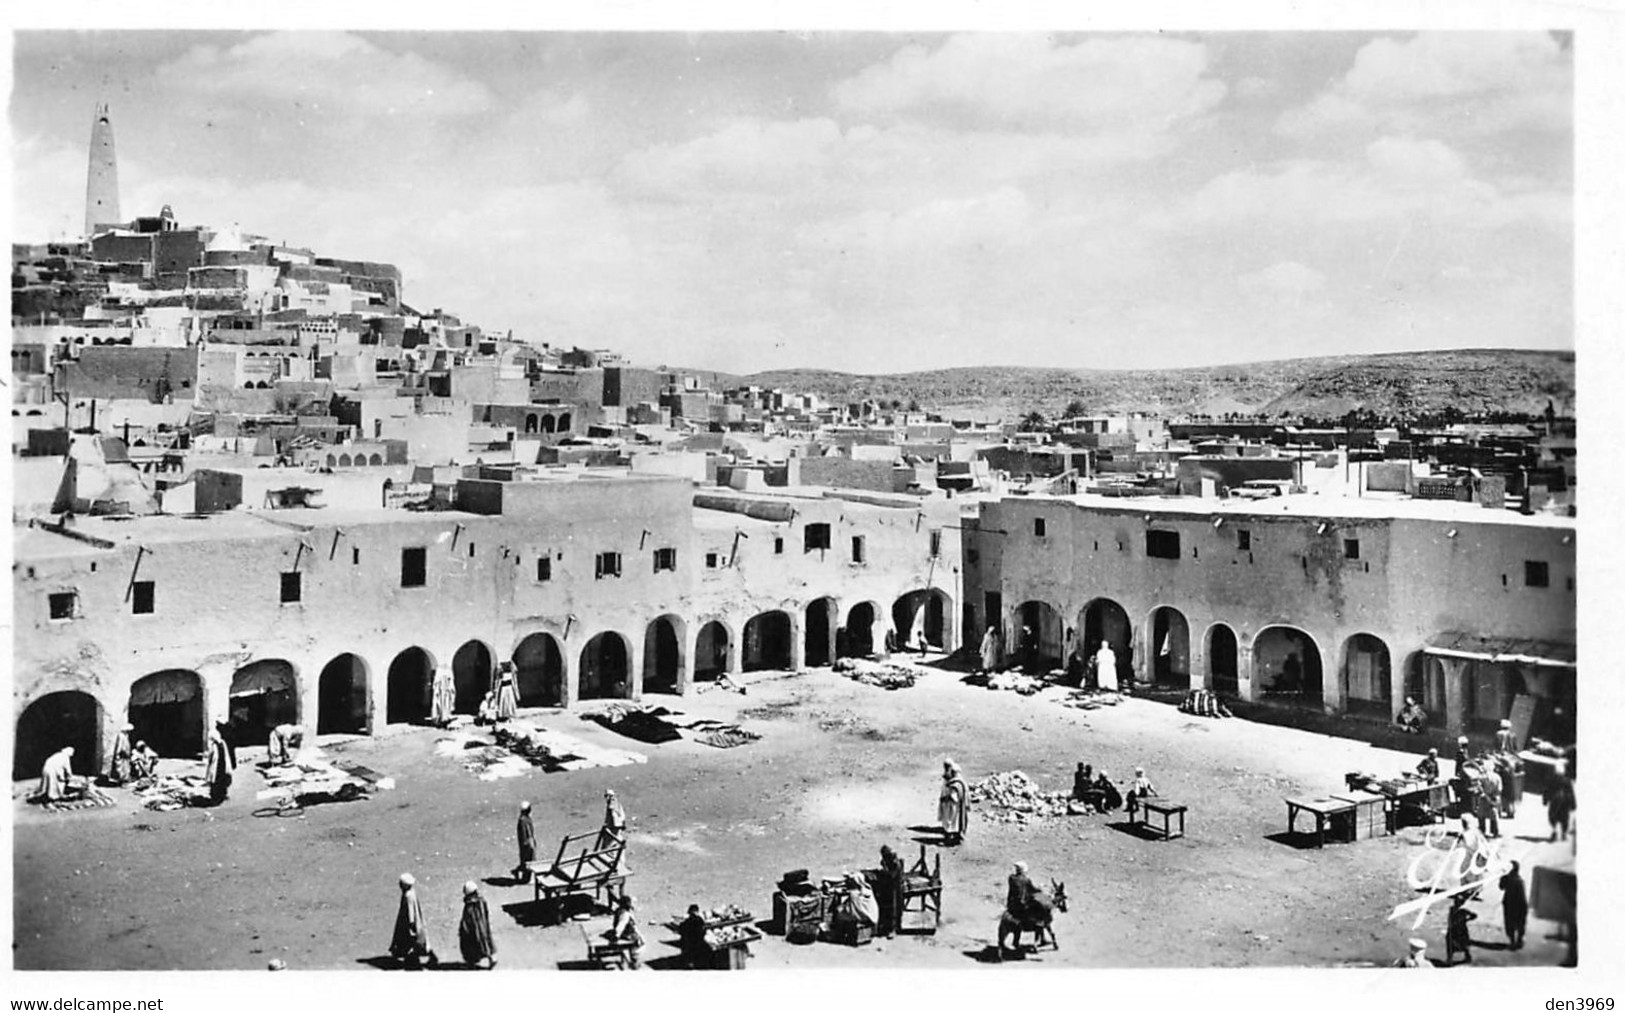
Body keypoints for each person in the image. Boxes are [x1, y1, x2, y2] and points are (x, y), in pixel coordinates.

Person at [389, 873, 436, 968]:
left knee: (410, 942)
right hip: (417, 922)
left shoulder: (408, 896)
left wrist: (410, 925)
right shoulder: (412, 893)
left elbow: (410, 913)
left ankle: (413, 961)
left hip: (409, 924)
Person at [458, 881, 496, 969]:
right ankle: (492, 958)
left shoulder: (469, 905)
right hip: (483, 927)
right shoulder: (482, 901)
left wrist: (463, 929)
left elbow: (467, 919)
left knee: (470, 946)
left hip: (472, 930)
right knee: (486, 943)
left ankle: (471, 964)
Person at [874, 845, 905, 938]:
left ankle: (893, 929)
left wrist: (883, 872)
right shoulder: (887, 860)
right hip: (888, 888)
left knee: (894, 909)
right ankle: (885, 927)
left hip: (895, 889)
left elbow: (891, 875)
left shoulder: (895, 863)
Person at [607, 895, 644, 969]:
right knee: (638, 943)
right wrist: (616, 936)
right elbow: (621, 925)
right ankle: (634, 961)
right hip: (626, 933)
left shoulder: (619, 910)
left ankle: (633, 959)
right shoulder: (625, 914)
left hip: (624, 931)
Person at [1499, 860, 1528, 951]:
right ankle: (1519, 941)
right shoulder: (1520, 880)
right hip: (1521, 904)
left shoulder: (1506, 878)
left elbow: (1501, 887)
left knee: (1510, 923)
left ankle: (1512, 942)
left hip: (1510, 904)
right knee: (1520, 923)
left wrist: (1502, 877)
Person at [938, 760, 968, 845]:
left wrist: (944, 798)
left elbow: (953, 797)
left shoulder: (956, 784)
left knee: (950, 821)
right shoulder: (959, 782)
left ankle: (951, 838)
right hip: (958, 805)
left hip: (953, 805)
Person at [1543, 762, 1575, 842]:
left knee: (1553, 817)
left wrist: (1545, 800)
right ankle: (1563, 833)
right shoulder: (1567, 781)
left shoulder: (1551, 780)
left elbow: (1546, 791)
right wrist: (1573, 804)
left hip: (1554, 802)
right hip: (1565, 803)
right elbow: (1571, 793)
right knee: (1564, 818)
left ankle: (1555, 831)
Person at [204, 722, 235, 806]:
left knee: (216, 784)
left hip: (217, 768)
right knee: (221, 782)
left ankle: (216, 799)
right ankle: (220, 797)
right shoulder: (222, 743)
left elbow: (212, 759)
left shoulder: (215, 746)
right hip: (222, 766)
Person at [1444, 894, 1476, 965]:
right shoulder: (1452, 909)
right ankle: (1449, 959)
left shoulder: (1463, 910)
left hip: (1461, 930)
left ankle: (1467, 957)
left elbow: (1474, 915)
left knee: (1463, 944)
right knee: (1450, 944)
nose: (1456, 902)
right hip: (1453, 929)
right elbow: (1450, 919)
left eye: (1458, 901)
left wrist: (1467, 919)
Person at [678, 904, 710, 969]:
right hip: (698, 942)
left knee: (689, 957)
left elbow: (681, 929)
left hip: (689, 944)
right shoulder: (700, 920)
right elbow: (704, 931)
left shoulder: (687, 922)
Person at [513, 801, 536, 882]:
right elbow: (526, 833)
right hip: (527, 843)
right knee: (528, 861)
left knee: (526, 860)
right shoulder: (524, 820)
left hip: (526, 843)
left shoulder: (524, 819)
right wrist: (529, 843)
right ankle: (525, 878)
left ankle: (521, 874)